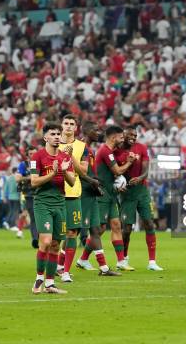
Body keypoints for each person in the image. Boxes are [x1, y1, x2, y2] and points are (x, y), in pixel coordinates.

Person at [80, 125, 136, 272]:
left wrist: (118, 183)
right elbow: (117, 170)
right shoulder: (105, 151)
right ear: (113, 137)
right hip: (102, 194)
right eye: (121, 137)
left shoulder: (110, 152)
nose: (123, 139)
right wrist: (130, 162)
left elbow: (115, 174)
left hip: (111, 194)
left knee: (116, 225)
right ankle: (83, 259)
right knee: (100, 229)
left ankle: (121, 261)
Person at [30, 123, 75, 294]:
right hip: (43, 203)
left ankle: (50, 284)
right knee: (46, 242)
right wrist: (52, 173)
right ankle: (38, 279)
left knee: (56, 245)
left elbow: (71, 182)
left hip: (60, 203)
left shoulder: (65, 157)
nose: (57, 136)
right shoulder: (37, 157)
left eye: (58, 134)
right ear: (45, 138)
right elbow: (34, 182)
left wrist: (63, 172)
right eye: (53, 134)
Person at [75, 122, 121, 276]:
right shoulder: (80, 148)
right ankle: (60, 266)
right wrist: (94, 183)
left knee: (96, 230)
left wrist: (97, 184)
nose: (99, 132)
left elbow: (90, 172)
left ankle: (104, 268)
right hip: (81, 193)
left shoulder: (89, 149)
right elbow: (79, 172)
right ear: (87, 132)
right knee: (73, 231)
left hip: (91, 192)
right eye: (96, 130)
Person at [115, 126, 163, 271]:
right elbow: (114, 171)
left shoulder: (141, 148)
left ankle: (152, 262)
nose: (133, 137)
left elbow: (146, 169)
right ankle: (123, 258)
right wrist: (117, 183)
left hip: (142, 191)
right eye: (130, 134)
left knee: (149, 223)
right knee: (127, 229)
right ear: (123, 135)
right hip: (127, 193)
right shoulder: (116, 151)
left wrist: (140, 178)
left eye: (135, 135)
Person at [56, 115, 86, 282]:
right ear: (61, 126)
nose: (68, 126)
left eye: (71, 124)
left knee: (72, 232)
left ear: (76, 128)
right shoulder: (53, 144)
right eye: (65, 123)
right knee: (56, 236)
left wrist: (71, 155)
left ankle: (65, 271)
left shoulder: (82, 147)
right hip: (56, 193)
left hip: (73, 194)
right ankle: (55, 267)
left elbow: (83, 172)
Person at [16, 147, 38, 247]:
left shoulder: (41, 163)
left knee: (40, 217)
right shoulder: (23, 165)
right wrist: (30, 177)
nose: (33, 155)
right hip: (29, 194)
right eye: (30, 154)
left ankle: (42, 237)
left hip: (41, 193)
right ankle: (35, 239)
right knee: (33, 216)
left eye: (34, 153)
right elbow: (17, 178)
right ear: (27, 155)